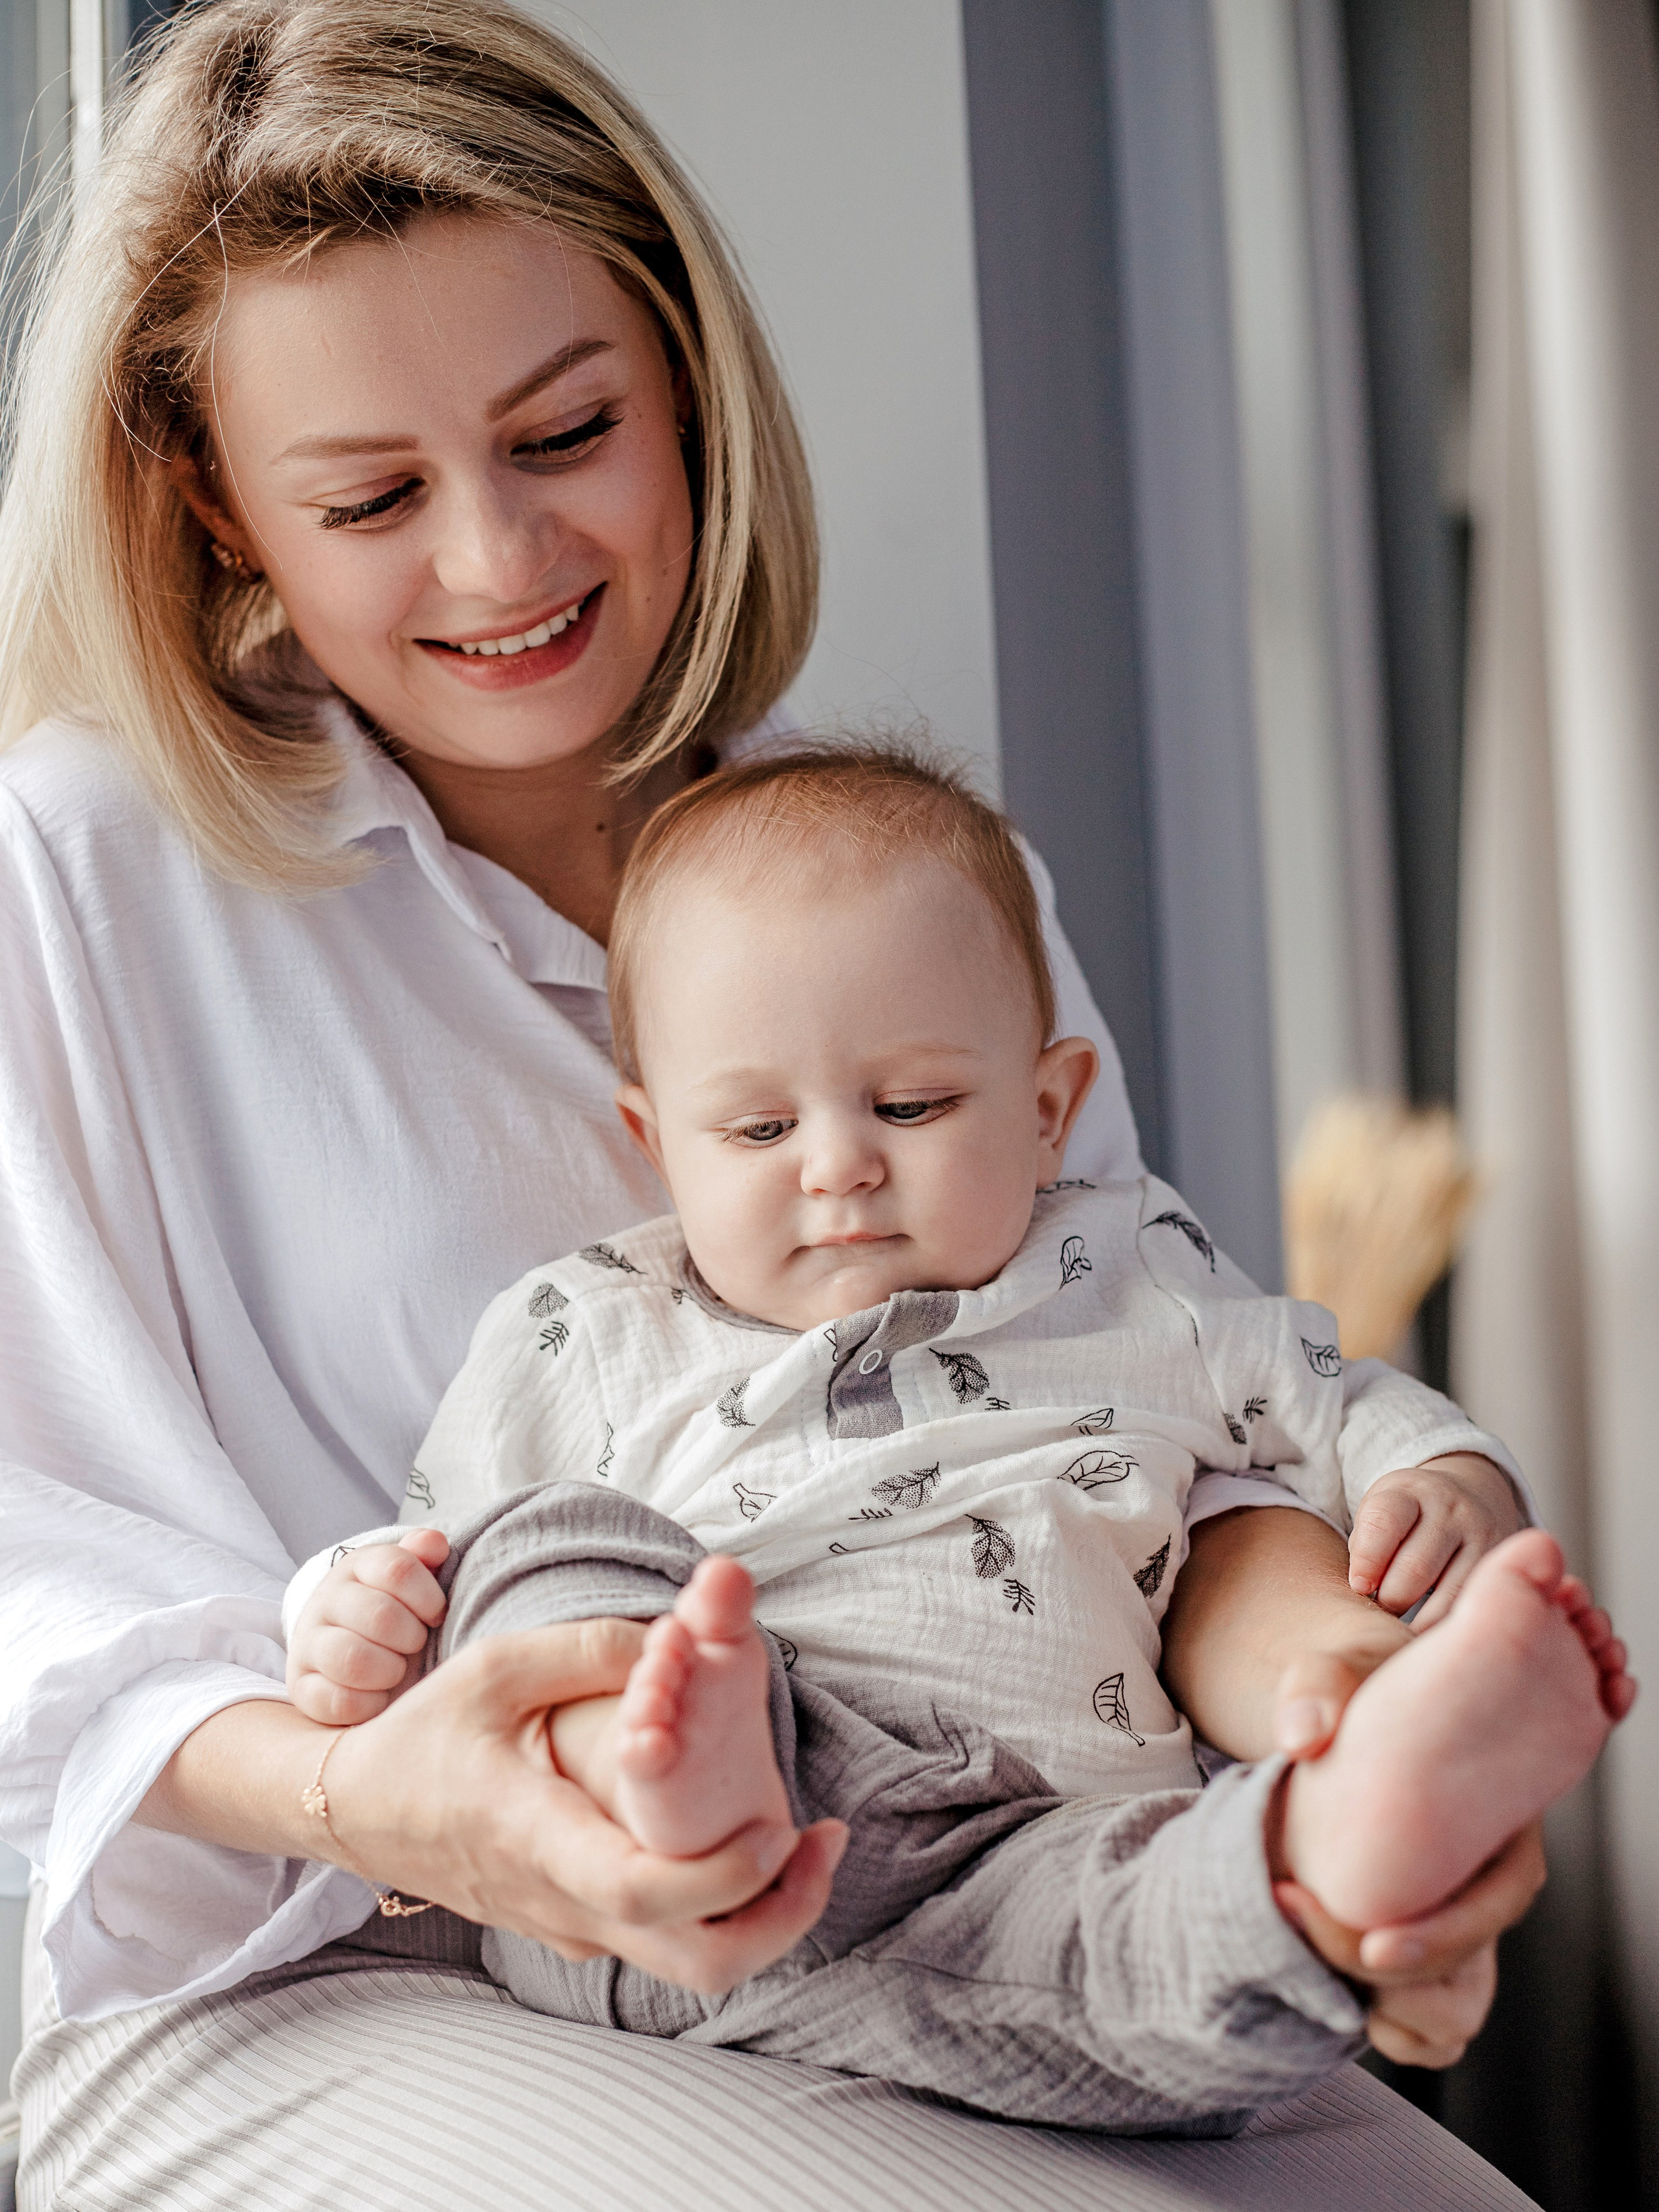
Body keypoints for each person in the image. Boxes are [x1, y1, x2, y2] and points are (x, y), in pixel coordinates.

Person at [0, 1, 1549, 2204]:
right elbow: (24, 1563)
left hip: (959, 1885)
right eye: (368, 496)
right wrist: (382, 1785)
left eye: (567, 432)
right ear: (211, 494)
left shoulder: (907, 882)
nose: (497, 562)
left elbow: (1123, 1400)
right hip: (313, 1973)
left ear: (688, 378)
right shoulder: (82, 868)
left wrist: (1330, 1706)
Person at [281, 747, 1630, 2132]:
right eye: (755, 1127)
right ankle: (670, 1765)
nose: (837, 1165)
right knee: (549, 1545)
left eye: (910, 1107)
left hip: (1023, 1854)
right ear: (653, 1143)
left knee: (1159, 1938)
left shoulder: (1130, 1271)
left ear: (1047, 1112)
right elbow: (433, 1548)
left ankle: (1334, 1847)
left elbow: (1326, 1398)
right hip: (644, 1884)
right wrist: (347, 1607)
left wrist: (1442, 1475)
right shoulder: (593, 1320)